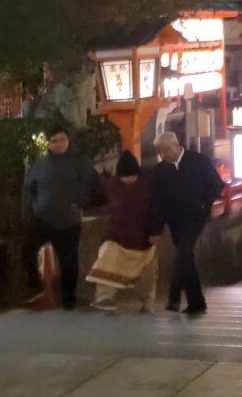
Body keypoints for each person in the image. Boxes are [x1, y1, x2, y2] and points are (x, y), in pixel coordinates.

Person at [22, 124, 100, 310]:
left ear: (68, 140)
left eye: (62, 140)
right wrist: (31, 208)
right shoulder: (40, 163)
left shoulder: (79, 161)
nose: (59, 144)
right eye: (54, 141)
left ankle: (68, 300)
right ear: (48, 144)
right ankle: (34, 285)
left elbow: (94, 184)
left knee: (69, 261)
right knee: (27, 251)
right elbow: (30, 188)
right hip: (42, 218)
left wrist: (81, 202)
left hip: (68, 220)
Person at [148, 131, 225, 315]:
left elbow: (216, 185)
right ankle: (195, 302)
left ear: (176, 144)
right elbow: (157, 202)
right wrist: (156, 228)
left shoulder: (198, 161)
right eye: (161, 152)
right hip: (174, 219)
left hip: (196, 216)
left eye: (166, 150)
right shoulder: (160, 172)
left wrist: (204, 204)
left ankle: (175, 298)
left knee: (183, 251)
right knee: (185, 257)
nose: (164, 155)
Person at [87, 150, 158, 313]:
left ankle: (148, 301)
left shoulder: (148, 186)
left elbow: (157, 210)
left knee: (146, 272)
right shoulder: (111, 185)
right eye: (125, 177)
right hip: (116, 236)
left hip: (143, 239)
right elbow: (96, 197)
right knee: (106, 260)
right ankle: (104, 298)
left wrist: (155, 230)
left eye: (132, 176)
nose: (128, 179)